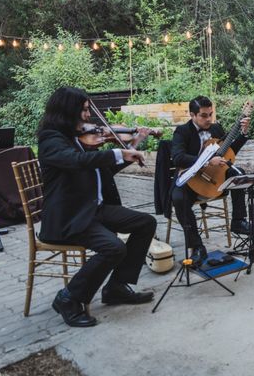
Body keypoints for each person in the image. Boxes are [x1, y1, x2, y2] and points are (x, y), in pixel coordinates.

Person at [37, 87, 157, 328]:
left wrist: (129, 150)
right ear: (67, 110)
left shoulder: (77, 138)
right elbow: (77, 162)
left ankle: (116, 287)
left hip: (94, 210)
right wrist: (115, 152)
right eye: (83, 109)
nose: (88, 115)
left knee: (146, 222)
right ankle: (68, 298)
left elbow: (102, 171)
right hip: (71, 217)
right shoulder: (51, 139)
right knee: (113, 248)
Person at [171, 96, 254, 265]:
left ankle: (238, 221)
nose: (209, 119)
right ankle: (197, 247)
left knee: (238, 175)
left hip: (215, 179)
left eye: (210, 114)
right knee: (178, 199)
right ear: (192, 115)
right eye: (204, 115)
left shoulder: (216, 128)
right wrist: (206, 161)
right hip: (191, 179)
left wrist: (243, 133)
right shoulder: (182, 131)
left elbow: (229, 151)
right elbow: (178, 157)